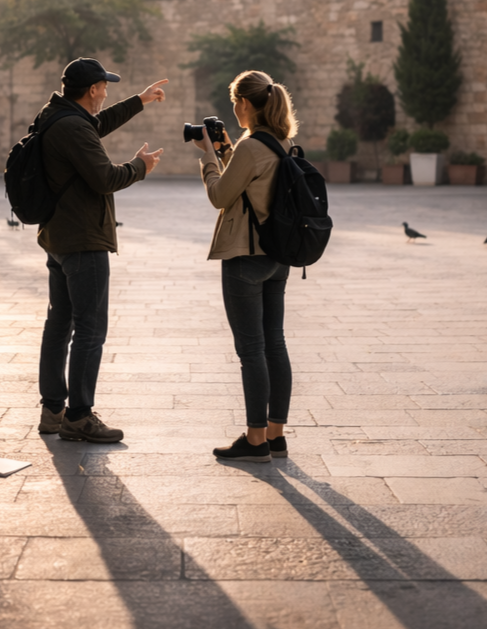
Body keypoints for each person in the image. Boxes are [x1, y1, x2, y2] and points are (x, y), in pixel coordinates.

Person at [35, 57, 166, 444]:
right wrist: (139, 167)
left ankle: (52, 410)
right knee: (90, 329)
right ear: (92, 90)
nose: (106, 93)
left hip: (58, 236)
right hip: (83, 240)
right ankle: (78, 417)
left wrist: (139, 100)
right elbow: (105, 177)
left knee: (59, 325)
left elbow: (96, 125)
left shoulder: (56, 116)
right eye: (104, 87)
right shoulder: (74, 126)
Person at [193, 69, 298, 462]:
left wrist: (208, 157)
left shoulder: (251, 146)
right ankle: (275, 435)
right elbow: (251, 182)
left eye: (235, 102)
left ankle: (255, 441)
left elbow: (220, 196)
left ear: (245, 104)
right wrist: (226, 150)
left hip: (245, 257)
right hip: (278, 256)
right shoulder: (282, 142)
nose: (234, 109)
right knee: (275, 343)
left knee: (251, 349)